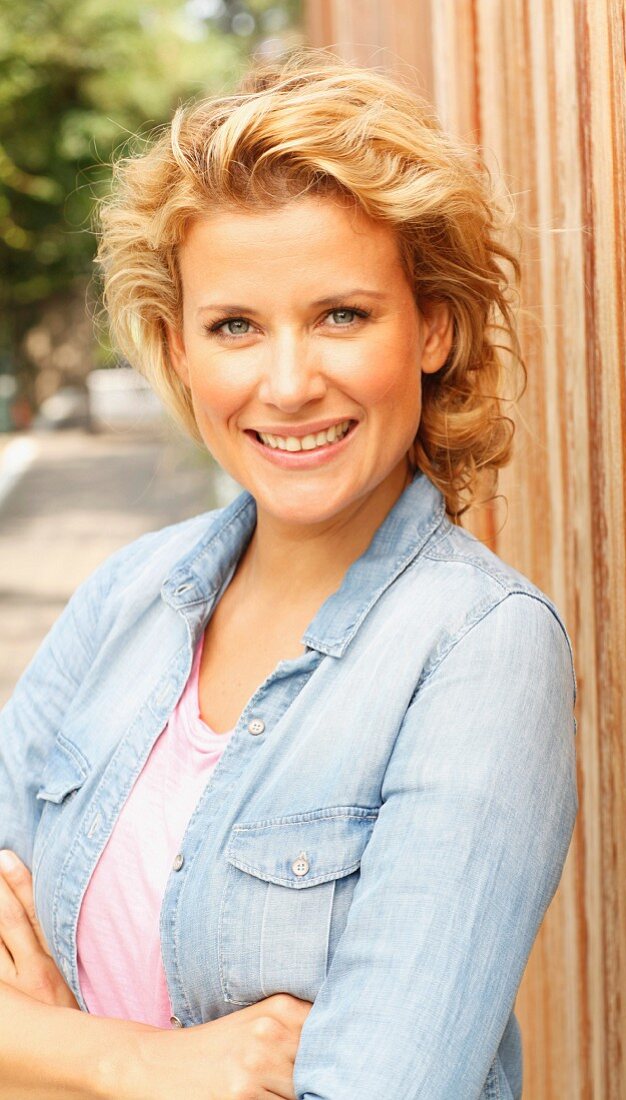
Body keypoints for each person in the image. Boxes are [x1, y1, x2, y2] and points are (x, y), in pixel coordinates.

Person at [0, 47, 578, 1099]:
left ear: (432, 328)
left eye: (340, 316)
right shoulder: (127, 593)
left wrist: (32, 1048)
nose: (287, 382)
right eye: (234, 326)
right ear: (179, 349)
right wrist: (139, 1063)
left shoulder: (479, 647)